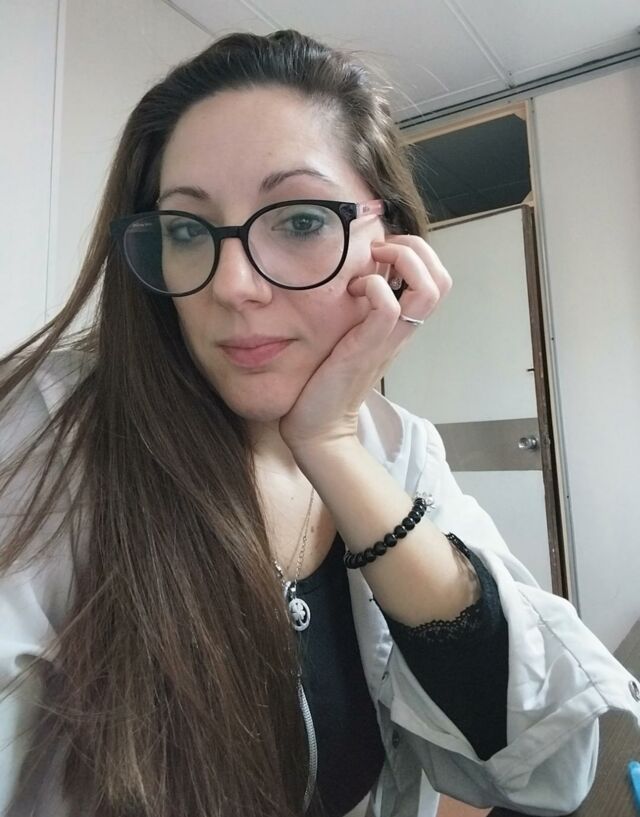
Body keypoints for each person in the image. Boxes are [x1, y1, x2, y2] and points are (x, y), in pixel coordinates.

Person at [0, 28, 638, 817]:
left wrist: (331, 444)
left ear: (390, 246)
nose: (233, 285)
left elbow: (547, 760)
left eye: (300, 221)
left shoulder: (398, 448)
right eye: (187, 230)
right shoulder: (48, 434)